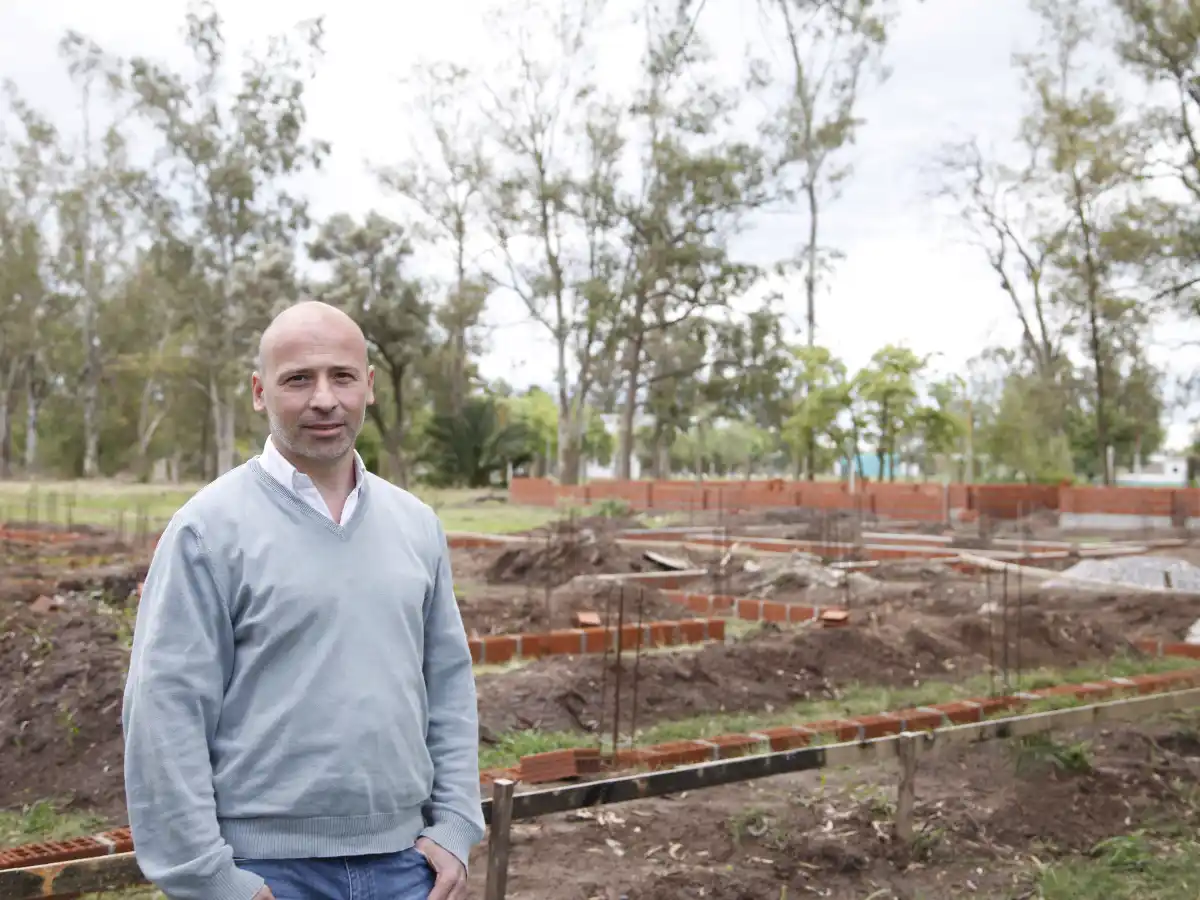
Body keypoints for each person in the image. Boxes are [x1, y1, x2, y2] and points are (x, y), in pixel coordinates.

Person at [122, 300, 484, 900]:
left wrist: (453, 825)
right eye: (298, 379)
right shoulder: (208, 530)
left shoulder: (417, 525)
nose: (324, 398)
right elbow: (165, 713)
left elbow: (447, 683)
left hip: (403, 866)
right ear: (261, 392)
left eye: (341, 376)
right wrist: (212, 878)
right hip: (263, 874)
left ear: (368, 385)